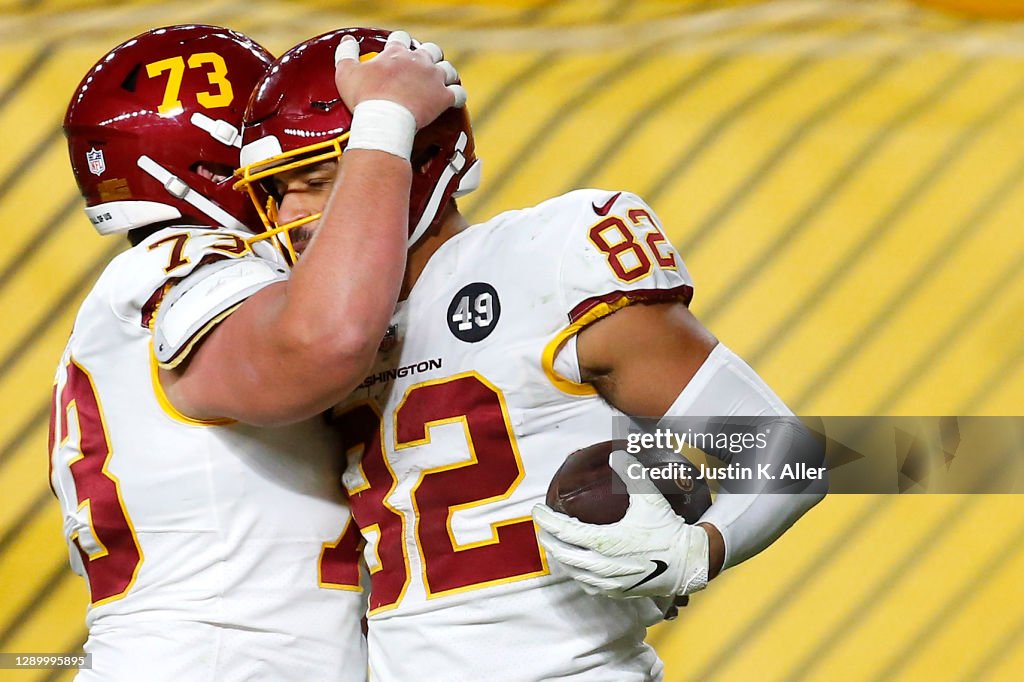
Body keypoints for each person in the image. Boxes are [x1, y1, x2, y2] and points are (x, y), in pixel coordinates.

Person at [235, 27, 826, 681]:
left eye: (317, 182)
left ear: (418, 163)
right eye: (275, 192)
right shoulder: (302, 333)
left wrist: (699, 549)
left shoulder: (544, 257)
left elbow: (788, 452)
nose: (292, 213)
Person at [52, 24, 461, 681]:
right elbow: (320, 345)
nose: (298, 201)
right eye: (294, 170)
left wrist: (679, 514)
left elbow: (668, 423)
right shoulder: (182, 268)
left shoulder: (526, 256)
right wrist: (384, 125)